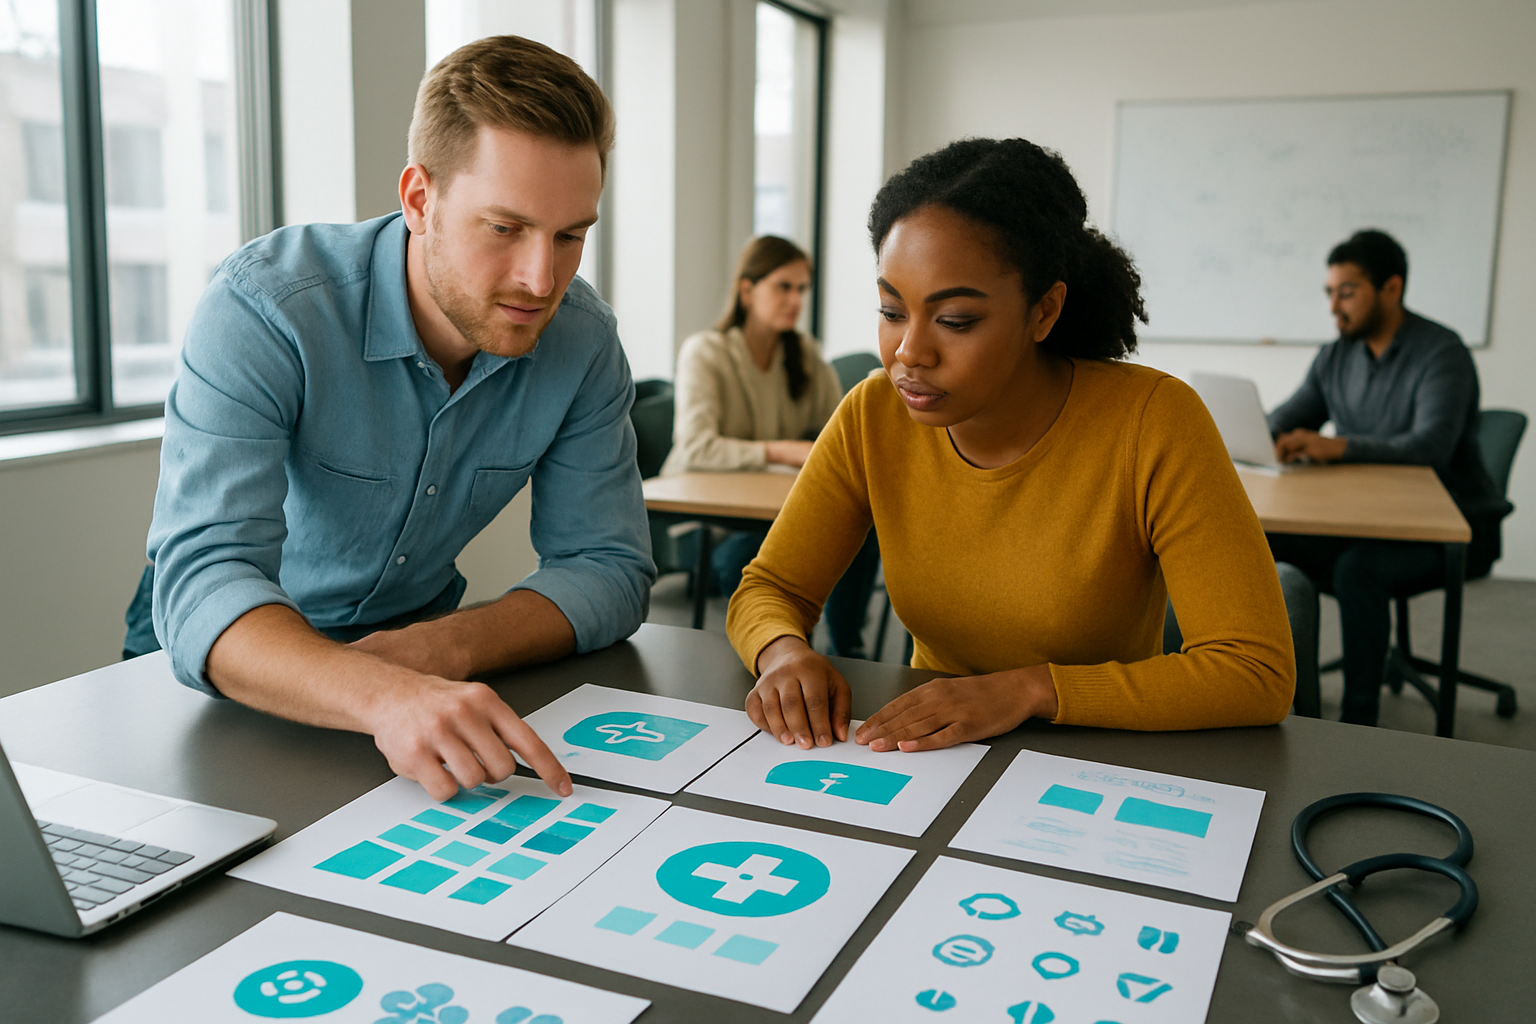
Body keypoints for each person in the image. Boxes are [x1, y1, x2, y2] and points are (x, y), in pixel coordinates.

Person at [128, 36, 654, 799]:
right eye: (504, 229)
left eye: (570, 235)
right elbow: (207, 578)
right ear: (419, 200)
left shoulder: (581, 340)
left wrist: (440, 648)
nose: (542, 279)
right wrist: (380, 692)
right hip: (232, 660)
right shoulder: (266, 308)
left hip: (418, 654)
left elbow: (609, 567)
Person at [726, 137, 1296, 752]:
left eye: (955, 321)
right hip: (930, 750)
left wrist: (1028, 691)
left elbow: (1255, 671)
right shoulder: (873, 413)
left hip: (1096, 754)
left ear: (1044, 311)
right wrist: (782, 655)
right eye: (892, 311)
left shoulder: (1153, 421)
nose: (909, 353)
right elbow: (770, 587)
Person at [1266, 229, 1501, 726]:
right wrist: (1259, 432)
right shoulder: (1336, 356)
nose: (1335, 307)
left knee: (1358, 570)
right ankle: (1288, 701)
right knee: (1259, 539)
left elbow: (1429, 447)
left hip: (1447, 526)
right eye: (1330, 293)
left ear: (1391, 289)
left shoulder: (1442, 353)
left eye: (1347, 292)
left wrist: (1337, 446)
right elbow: (1287, 416)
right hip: (1359, 519)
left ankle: (1358, 726)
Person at [661, 235, 879, 657]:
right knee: (748, 562)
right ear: (747, 290)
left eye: (802, 289)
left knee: (858, 528)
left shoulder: (806, 356)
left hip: (784, 508)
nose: (796, 299)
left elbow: (838, 438)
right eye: (784, 286)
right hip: (721, 520)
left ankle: (849, 651)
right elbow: (694, 449)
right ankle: (789, 655)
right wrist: (781, 450)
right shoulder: (706, 353)